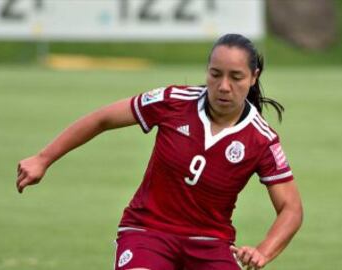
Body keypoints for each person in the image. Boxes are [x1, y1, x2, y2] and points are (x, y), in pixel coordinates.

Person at [16, 34, 303, 270]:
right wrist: (43, 159)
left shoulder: (261, 139)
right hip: (147, 232)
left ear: (254, 77)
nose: (223, 86)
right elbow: (102, 119)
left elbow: (291, 209)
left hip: (210, 243)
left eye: (236, 77)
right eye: (215, 74)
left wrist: (264, 251)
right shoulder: (172, 101)